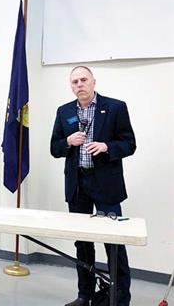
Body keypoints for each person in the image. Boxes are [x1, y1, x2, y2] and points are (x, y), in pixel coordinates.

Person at [50, 66, 136, 306]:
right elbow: (54, 148)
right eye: (75, 81)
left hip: (106, 185)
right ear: (71, 86)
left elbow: (129, 143)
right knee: (83, 243)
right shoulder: (64, 111)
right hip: (77, 185)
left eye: (83, 80)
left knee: (114, 243)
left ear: (93, 82)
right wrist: (67, 141)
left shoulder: (115, 107)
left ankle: (119, 299)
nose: (80, 84)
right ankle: (84, 295)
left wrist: (107, 147)